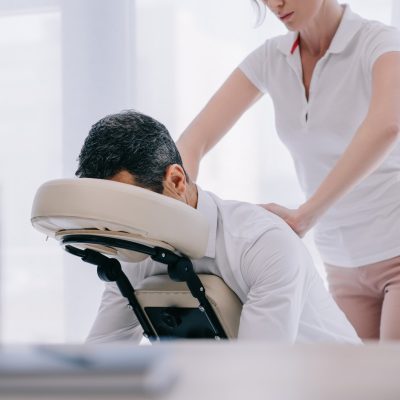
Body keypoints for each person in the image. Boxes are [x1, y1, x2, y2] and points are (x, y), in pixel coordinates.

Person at [176, 1, 400, 341]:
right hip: (340, 262)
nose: (275, 4)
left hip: (395, 247)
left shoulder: (379, 42)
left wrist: (305, 215)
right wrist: (180, 216)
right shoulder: (272, 58)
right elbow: (193, 141)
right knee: (356, 388)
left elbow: (388, 123)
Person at [76, 110, 359, 344]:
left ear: (176, 181)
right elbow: (100, 360)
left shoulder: (262, 244)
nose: (122, 229)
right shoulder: (135, 255)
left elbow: (259, 378)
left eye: (129, 207)